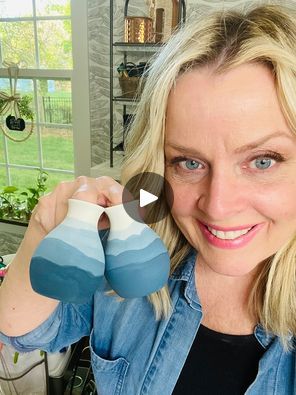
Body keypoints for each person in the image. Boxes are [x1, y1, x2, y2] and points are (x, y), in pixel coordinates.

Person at [1, 3, 296, 394]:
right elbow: (21, 331)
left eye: (263, 160)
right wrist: (42, 229)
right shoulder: (130, 256)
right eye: (189, 162)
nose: (219, 205)